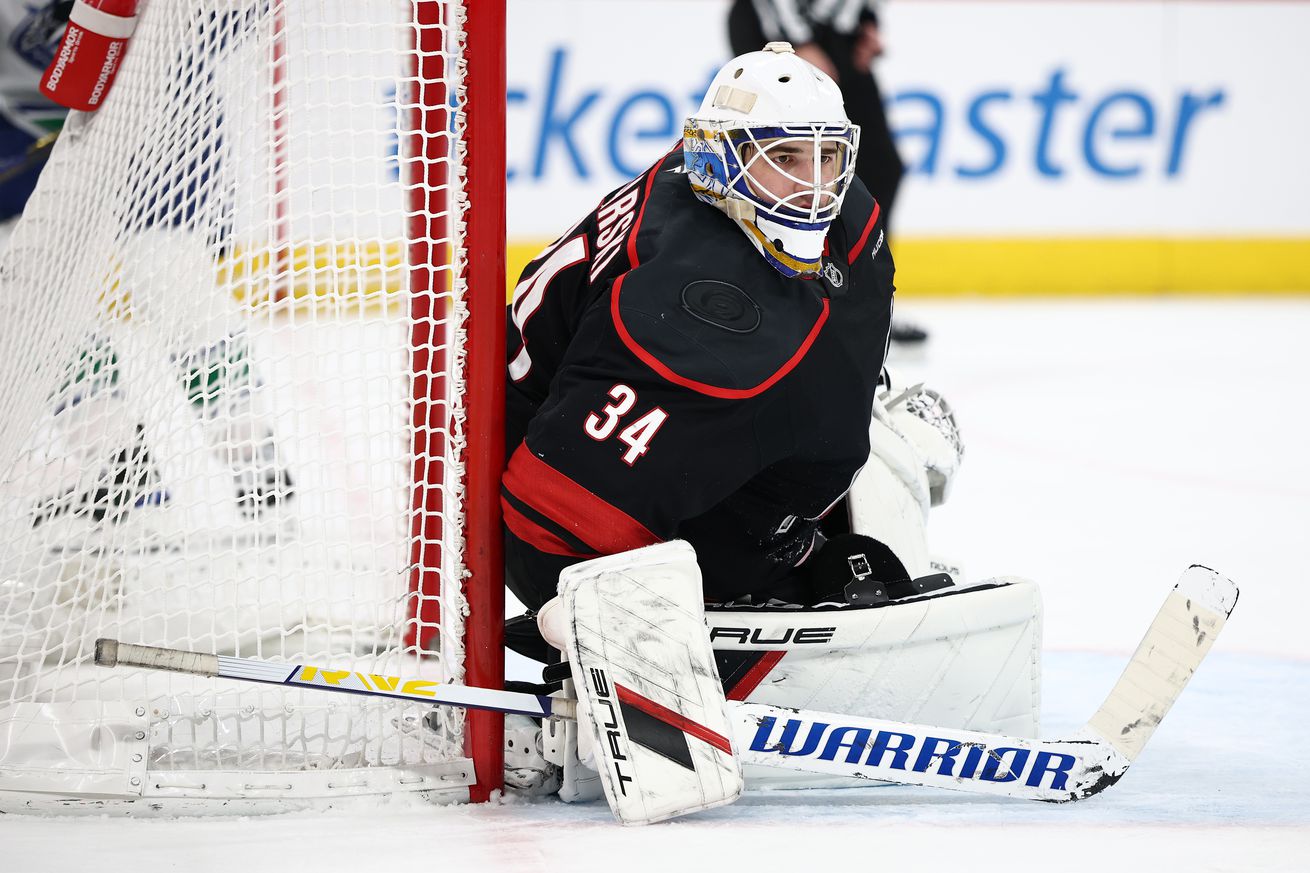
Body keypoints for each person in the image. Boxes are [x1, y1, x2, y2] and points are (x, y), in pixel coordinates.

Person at [502, 42, 894, 621]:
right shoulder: (681, 296)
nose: (814, 186)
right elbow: (552, 524)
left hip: (594, 425)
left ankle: (759, 547)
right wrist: (615, 616)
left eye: (827, 156)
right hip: (540, 491)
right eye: (785, 157)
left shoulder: (747, 203)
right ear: (719, 159)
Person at [727, 0, 927, 345]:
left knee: (876, 167)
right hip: (780, 28)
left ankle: (863, 295)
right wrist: (797, 42)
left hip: (836, 37)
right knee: (771, 160)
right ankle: (755, 292)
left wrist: (867, 22)